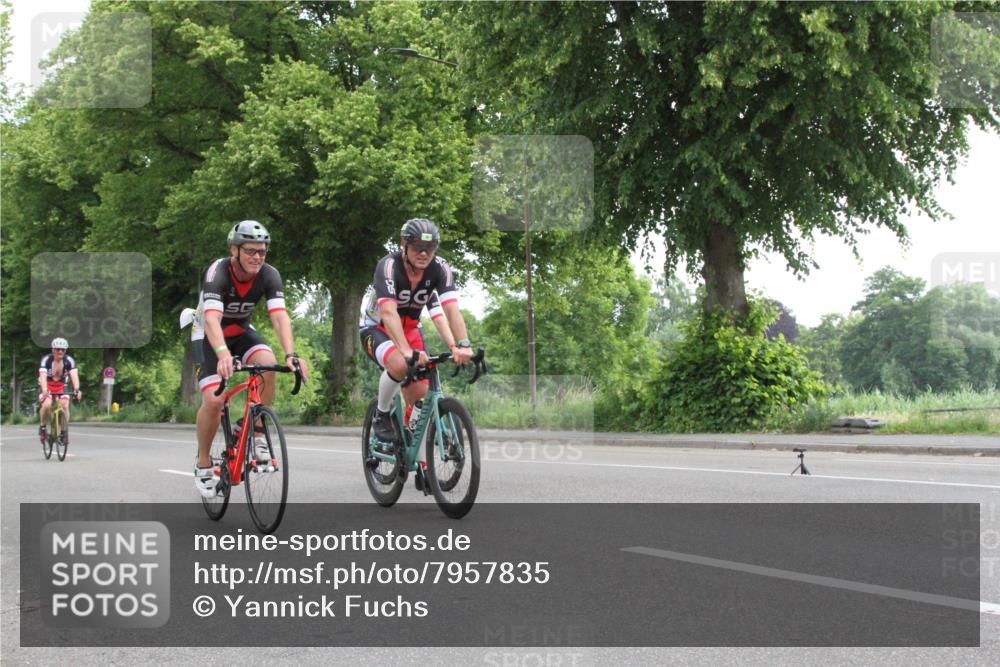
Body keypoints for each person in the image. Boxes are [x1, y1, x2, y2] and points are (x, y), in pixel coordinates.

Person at [193, 220, 308, 498]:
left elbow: (279, 316)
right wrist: (222, 354)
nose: (258, 257)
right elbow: (212, 319)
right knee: (214, 399)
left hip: (242, 331)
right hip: (209, 334)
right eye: (251, 251)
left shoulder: (269, 275)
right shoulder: (217, 272)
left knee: (267, 363)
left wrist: (291, 354)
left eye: (262, 251)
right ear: (234, 249)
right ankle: (203, 462)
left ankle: (256, 432)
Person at [359, 218, 474, 449]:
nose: (424, 253)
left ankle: (419, 460)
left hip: (410, 328)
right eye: (417, 247)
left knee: (420, 398)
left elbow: (450, 311)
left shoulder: (440, 268)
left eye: (430, 248)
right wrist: (405, 351)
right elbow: (389, 313)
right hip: (377, 327)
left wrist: (461, 344)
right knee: (400, 364)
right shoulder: (389, 265)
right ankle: (382, 415)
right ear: (404, 244)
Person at [38, 337, 81, 444]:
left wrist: (76, 389)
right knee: (47, 405)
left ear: (65, 351)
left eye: (63, 349)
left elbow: (74, 376)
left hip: (62, 385)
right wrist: (44, 390)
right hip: (47, 384)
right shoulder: (46, 360)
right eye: (57, 349)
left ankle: (63, 432)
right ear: (53, 350)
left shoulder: (69, 361)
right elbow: (42, 376)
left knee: (65, 405)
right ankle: (42, 427)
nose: (60, 351)